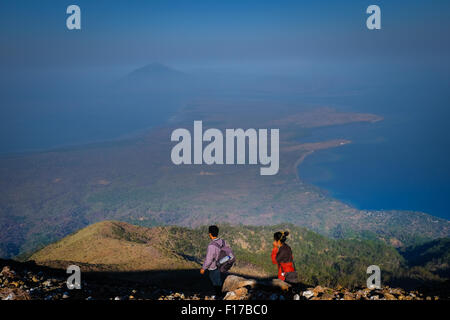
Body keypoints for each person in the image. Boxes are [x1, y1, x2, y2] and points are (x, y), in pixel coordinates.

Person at [200, 225, 227, 297]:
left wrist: (203, 268)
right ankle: (219, 294)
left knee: (215, 282)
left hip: (214, 266)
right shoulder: (223, 242)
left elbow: (209, 259)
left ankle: (219, 296)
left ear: (210, 234)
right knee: (218, 280)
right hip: (222, 264)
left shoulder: (211, 246)